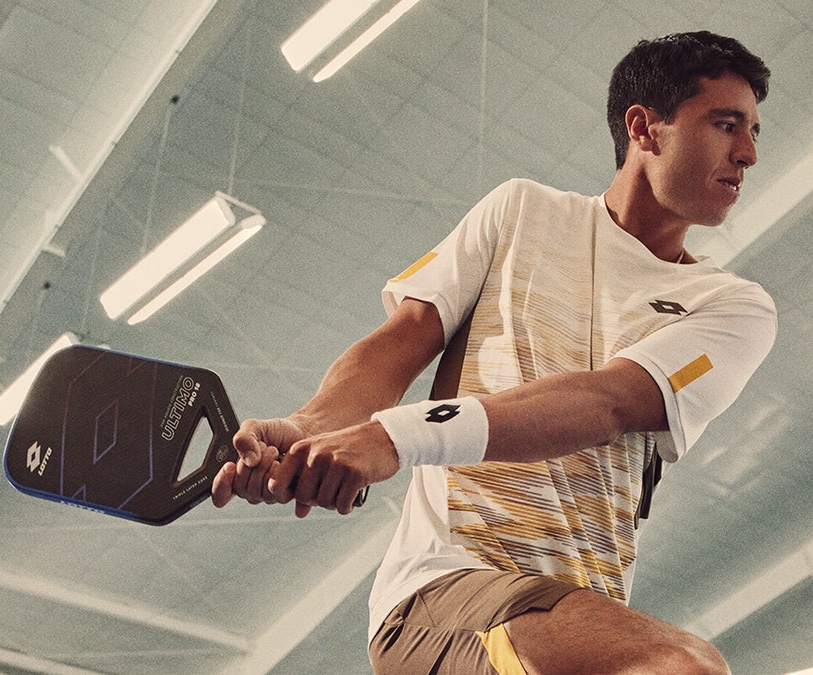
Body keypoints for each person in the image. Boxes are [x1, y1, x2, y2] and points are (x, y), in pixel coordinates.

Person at [212, 31, 776, 674]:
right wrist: (307, 429)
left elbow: (609, 402)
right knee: (683, 670)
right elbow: (399, 342)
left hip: (573, 612)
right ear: (645, 128)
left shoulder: (732, 307)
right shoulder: (521, 212)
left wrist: (390, 438)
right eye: (726, 124)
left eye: (755, 130)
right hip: (445, 590)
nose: (749, 153)